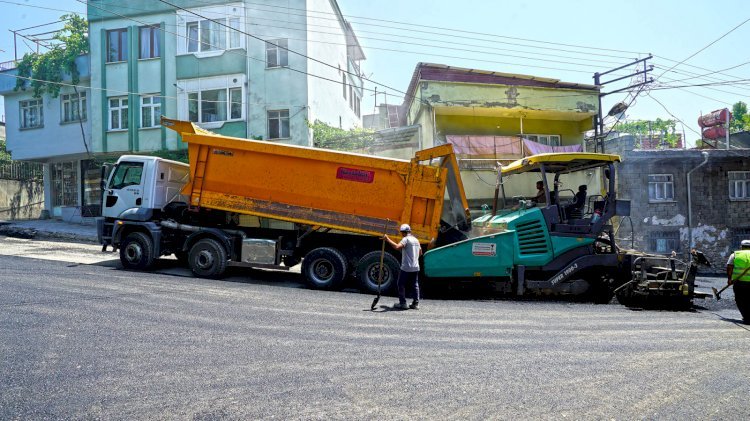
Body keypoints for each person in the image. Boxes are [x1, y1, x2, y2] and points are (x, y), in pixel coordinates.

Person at [384, 223, 422, 310]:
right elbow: (420, 253)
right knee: (415, 284)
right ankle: (415, 304)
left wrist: (387, 239)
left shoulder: (405, 239)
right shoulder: (416, 240)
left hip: (406, 267)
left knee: (401, 284)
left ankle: (403, 303)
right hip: (416, 267)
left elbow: (397, 247)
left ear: (403, 232)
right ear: (410, 231)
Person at [727, 239, 750, 324]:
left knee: (740, 299)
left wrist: (729, 279)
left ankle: (746, 317)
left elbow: (729, 267)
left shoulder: (735, 255)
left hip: (739, 282)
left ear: (741, 247)